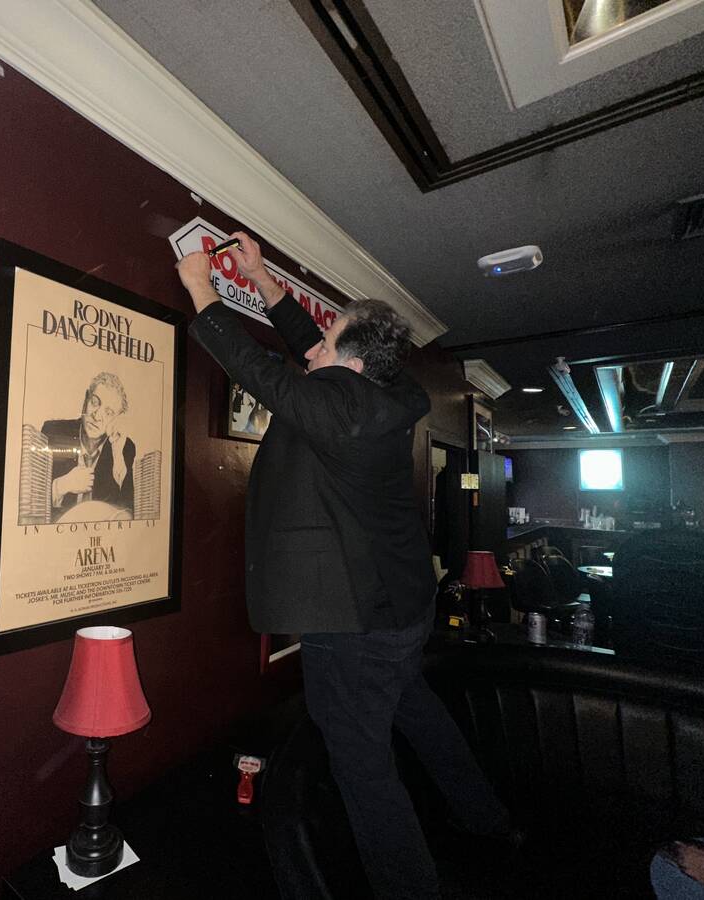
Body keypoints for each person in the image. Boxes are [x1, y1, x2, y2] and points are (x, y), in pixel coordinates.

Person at [177, 234, 511, 899]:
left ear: (351, 370)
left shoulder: (340, 411)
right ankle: (489, 821)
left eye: (329, 344)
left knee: (361, 764)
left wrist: (201, 288)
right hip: (400, 605)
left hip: (356, 622)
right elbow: (311, 351)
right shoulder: (394, 389)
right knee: (413, 707)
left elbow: (259, 370)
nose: (316, 347)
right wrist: (264, 281)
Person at [43, 371, 136, 518]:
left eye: (109, 412)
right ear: (85, 400)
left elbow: (130, 512)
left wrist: (118, 456)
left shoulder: (124, 448)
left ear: (117, 419)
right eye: (94, 402)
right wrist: (62, 485)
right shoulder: (53, 432)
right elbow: (29, 498)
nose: (97, 416)